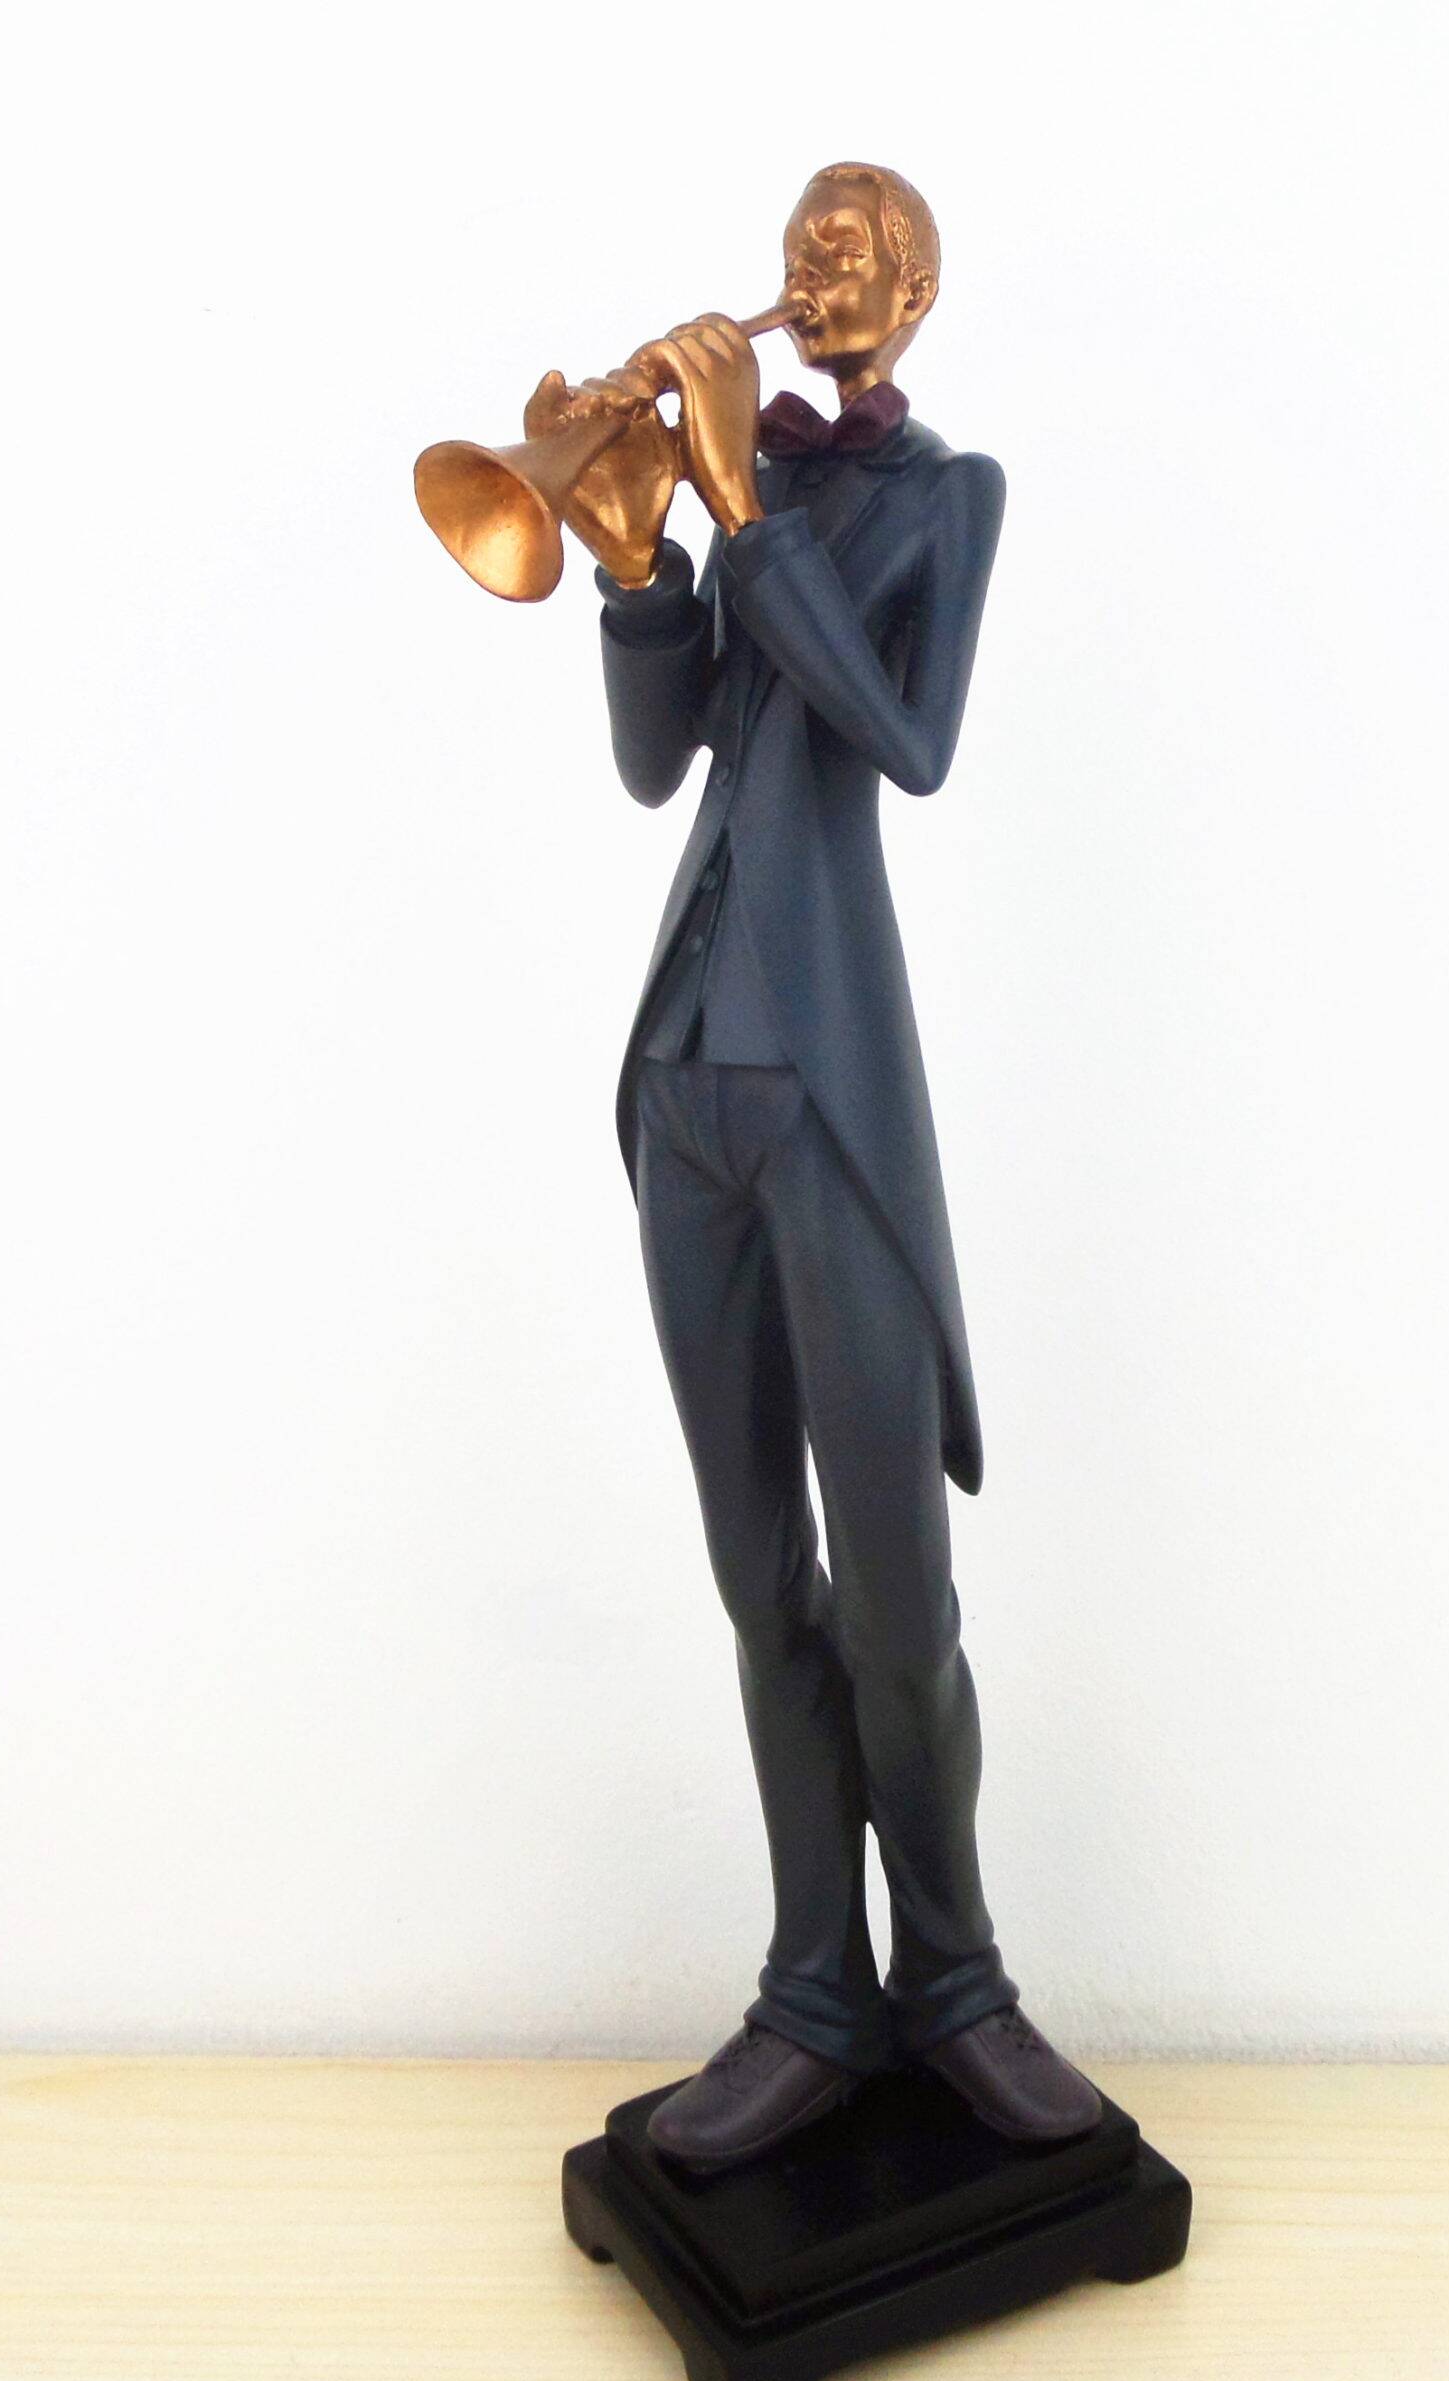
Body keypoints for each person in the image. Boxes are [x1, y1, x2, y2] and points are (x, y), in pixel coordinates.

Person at [534, 163, 1101, 2171]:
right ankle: (810, 1992)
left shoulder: (945, 497)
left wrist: (744, 515)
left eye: (848, 254)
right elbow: (660, 758)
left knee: (893, 1597)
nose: (807, 273)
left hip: (831, 1095)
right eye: (797, 246)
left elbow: (902, 739)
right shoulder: (741, 486)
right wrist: (635, 558)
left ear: (916, 291)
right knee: (756, 1580)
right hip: (683, 1089)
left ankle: (952, 1983)